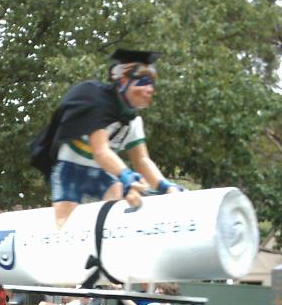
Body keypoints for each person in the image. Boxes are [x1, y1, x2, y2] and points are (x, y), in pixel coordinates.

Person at [30, 48, 182, 228]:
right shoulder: (98, 103)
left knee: (117, 207)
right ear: (123, 81)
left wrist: (166, 186)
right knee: (64, 224)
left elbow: (142, 160)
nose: (150, 89)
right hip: (70, 170)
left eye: (151, 84)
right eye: (143, 82)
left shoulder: (133, 121)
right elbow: (101, 151)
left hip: (99, 172)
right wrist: (127, 176)